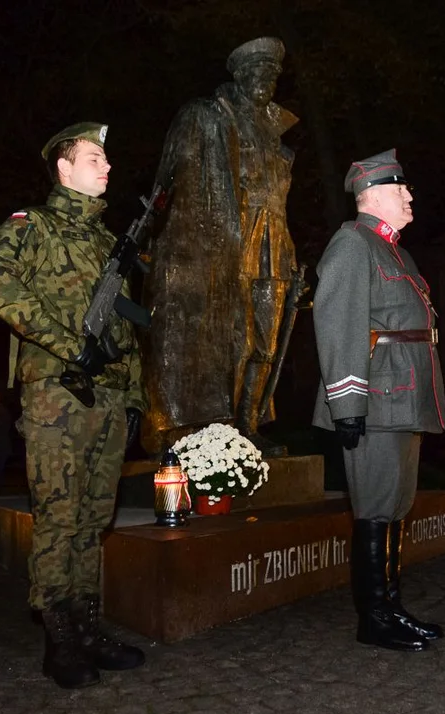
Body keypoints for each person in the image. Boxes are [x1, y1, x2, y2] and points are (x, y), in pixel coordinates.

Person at [0, 122, 147, 689]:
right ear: (64, 169)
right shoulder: (34, 226)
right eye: (94, 156)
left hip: (110, 397)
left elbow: (127, 329)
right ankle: (60, 640)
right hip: (57, 395)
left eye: (106, 156)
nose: (107, 165)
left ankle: (89, 628)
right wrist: (66, 342)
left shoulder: (106, 241)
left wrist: (135, 397)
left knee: (93, 522)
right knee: (59, 519)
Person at [312, 150, 445, 652]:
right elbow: (338, 327)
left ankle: (391, 607)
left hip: (403, 399)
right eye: (400, 190)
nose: (409, 196)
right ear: (370, 196)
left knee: (394, 506)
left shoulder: (396, 253)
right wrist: (348, 405)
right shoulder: (353, 245)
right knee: (373, 508)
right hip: (376, 400)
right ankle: (373, 618)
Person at [142, 37, 301, 456]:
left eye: (273, 73)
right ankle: (221, 424)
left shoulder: (275, 133)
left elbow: (279, 202)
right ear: (240, 76)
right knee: (237, 338)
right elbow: (176, 187)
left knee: (266, 341)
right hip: (229, 244)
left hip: (274, 246)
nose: (266, 79)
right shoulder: (211, 118)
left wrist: (292, 255)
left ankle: (249, 425)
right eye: (258, 72)